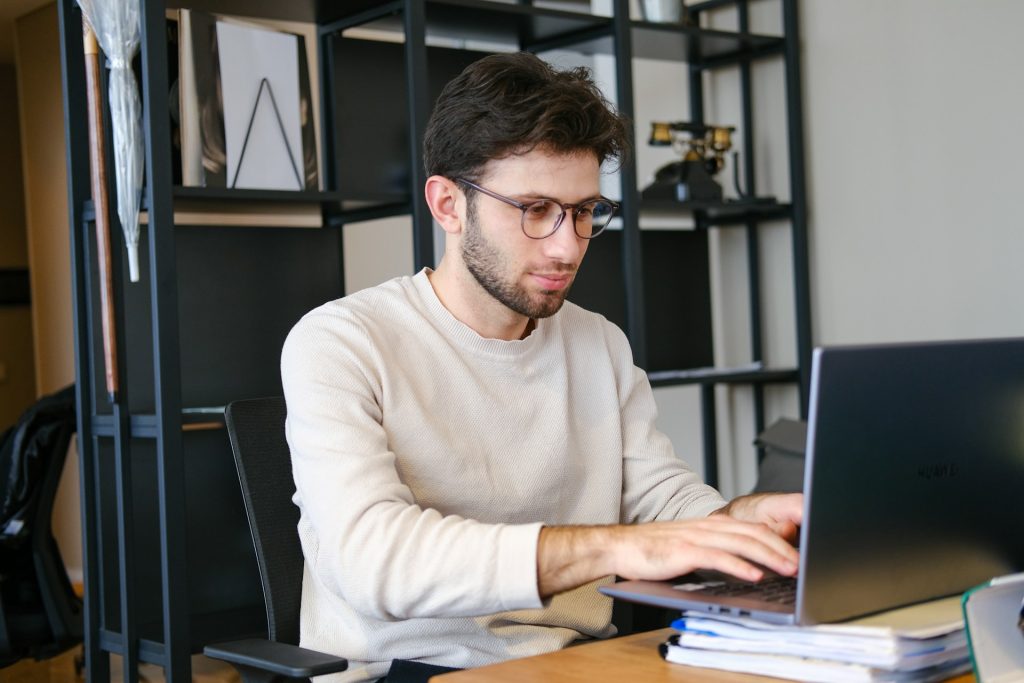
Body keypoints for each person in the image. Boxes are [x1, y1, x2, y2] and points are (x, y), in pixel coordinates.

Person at [281, 52, 802, 683]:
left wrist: (733, 523)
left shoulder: (598, 344)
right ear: (448, 204)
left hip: (586, 663)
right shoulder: (342, 342)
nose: (566, 245)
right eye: (533, 209)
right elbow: (373, 561)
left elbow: (660, 503)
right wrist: (611, 546)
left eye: (583, 212)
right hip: (414, 671)